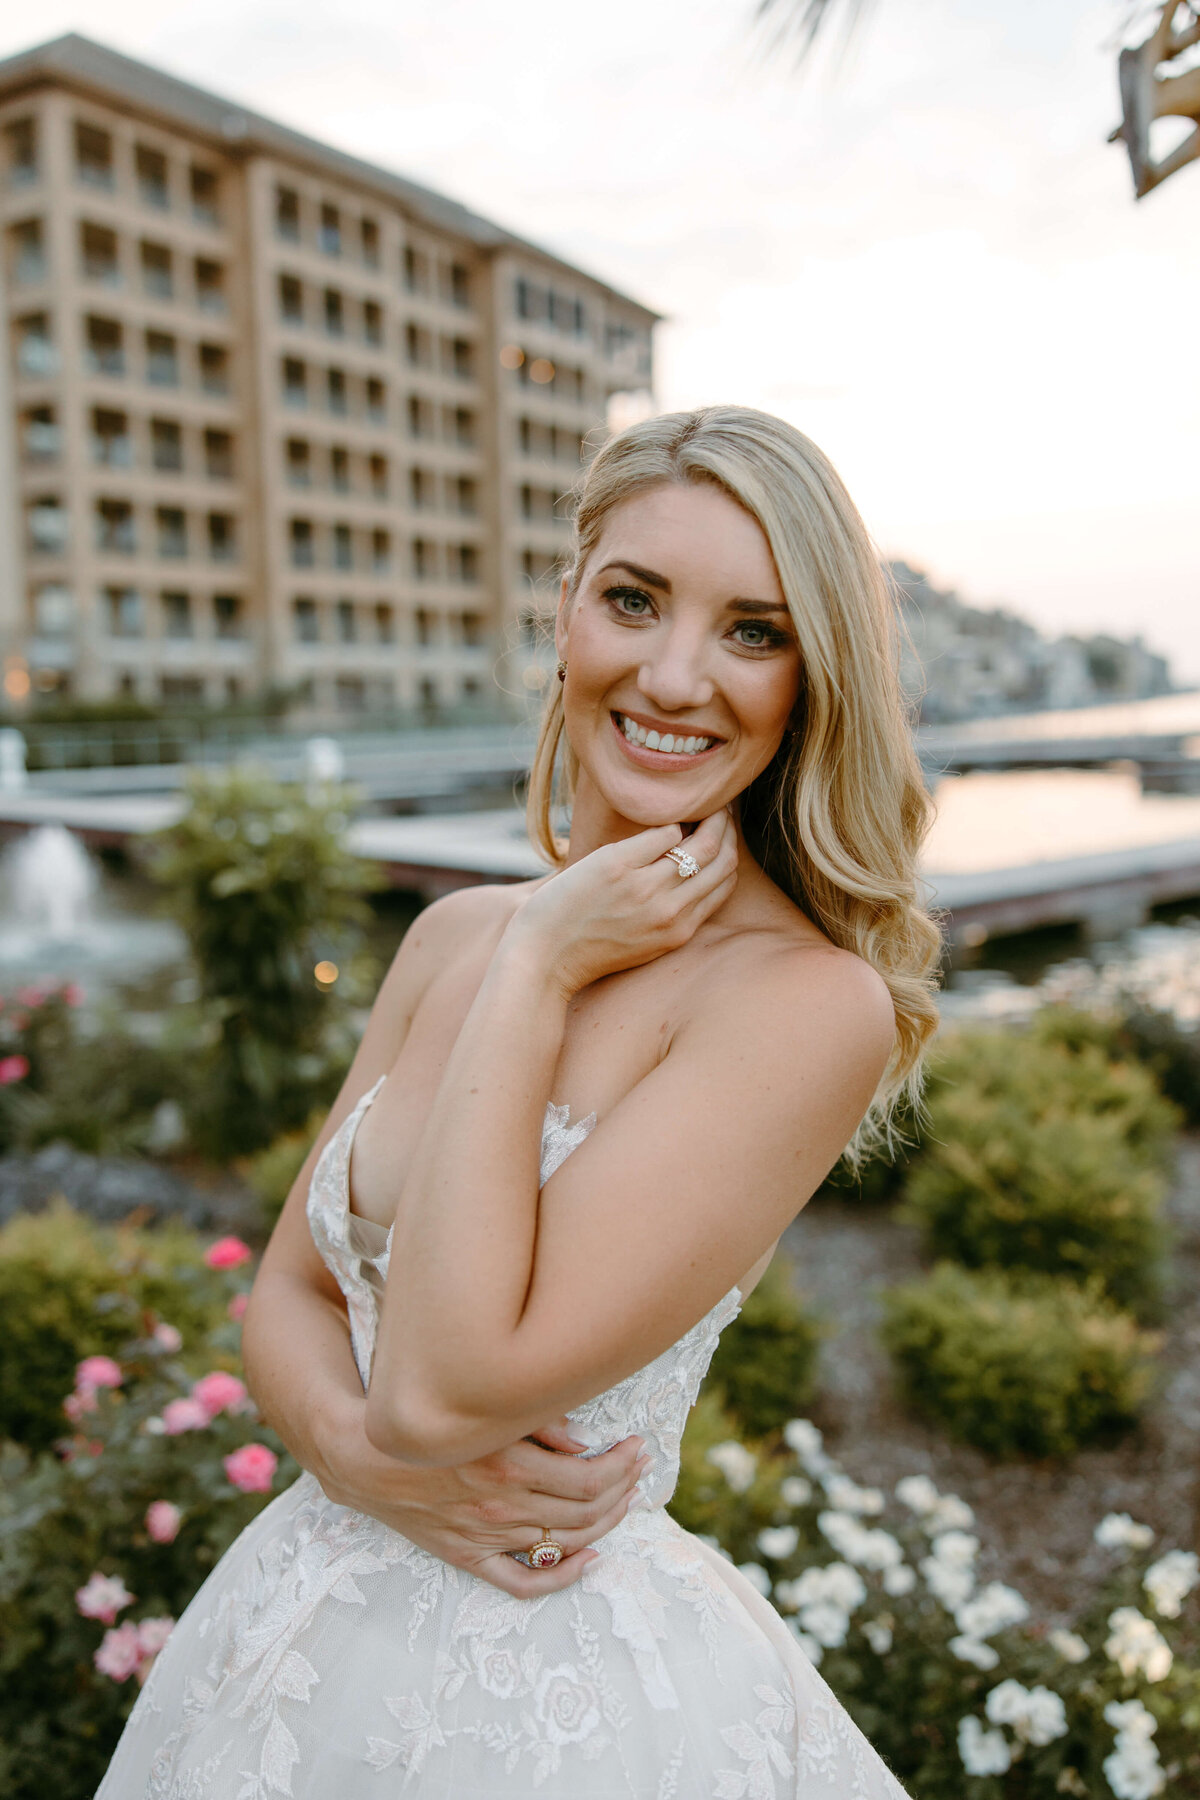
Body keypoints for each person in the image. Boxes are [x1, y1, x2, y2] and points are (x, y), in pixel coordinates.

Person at [96, 405, 940, 1798]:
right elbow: (294, 1297)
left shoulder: (800, 1006)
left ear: (812, 676)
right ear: (566, 613)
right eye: (634, 600)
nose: (675, 676)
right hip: (290, 1640)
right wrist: (358, 1468)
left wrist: (542, 964)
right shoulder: (454, 939)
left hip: (556, 1710)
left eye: (753, 630)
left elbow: (440, 1389)